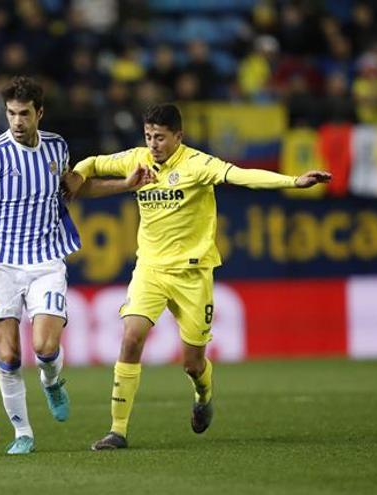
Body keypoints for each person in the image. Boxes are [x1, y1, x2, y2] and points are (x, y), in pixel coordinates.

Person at [62, 103, 330, 450]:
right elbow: (94, 162)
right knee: (131, 337)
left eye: (160, 137)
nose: (153, 144)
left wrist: (294, 181)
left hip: (193, 274)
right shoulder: (136, 160)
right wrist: (79, 176)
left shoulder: (198, 164)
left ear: (179, 136)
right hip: (151, 270)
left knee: (192, 363)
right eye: (148, 136)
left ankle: (203, 395)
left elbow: (243, 176)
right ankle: (117, 430)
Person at [0, 76, 152, 454]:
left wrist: (125, 185)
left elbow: (75, 188)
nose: (16, 122)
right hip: (1, 263)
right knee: (8, 356)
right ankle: (23, 434)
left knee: (44, 347)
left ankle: (52, 381)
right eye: (11, 114)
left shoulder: (57, 147)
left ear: (39, 112)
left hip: (47, 260)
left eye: (23, 114)